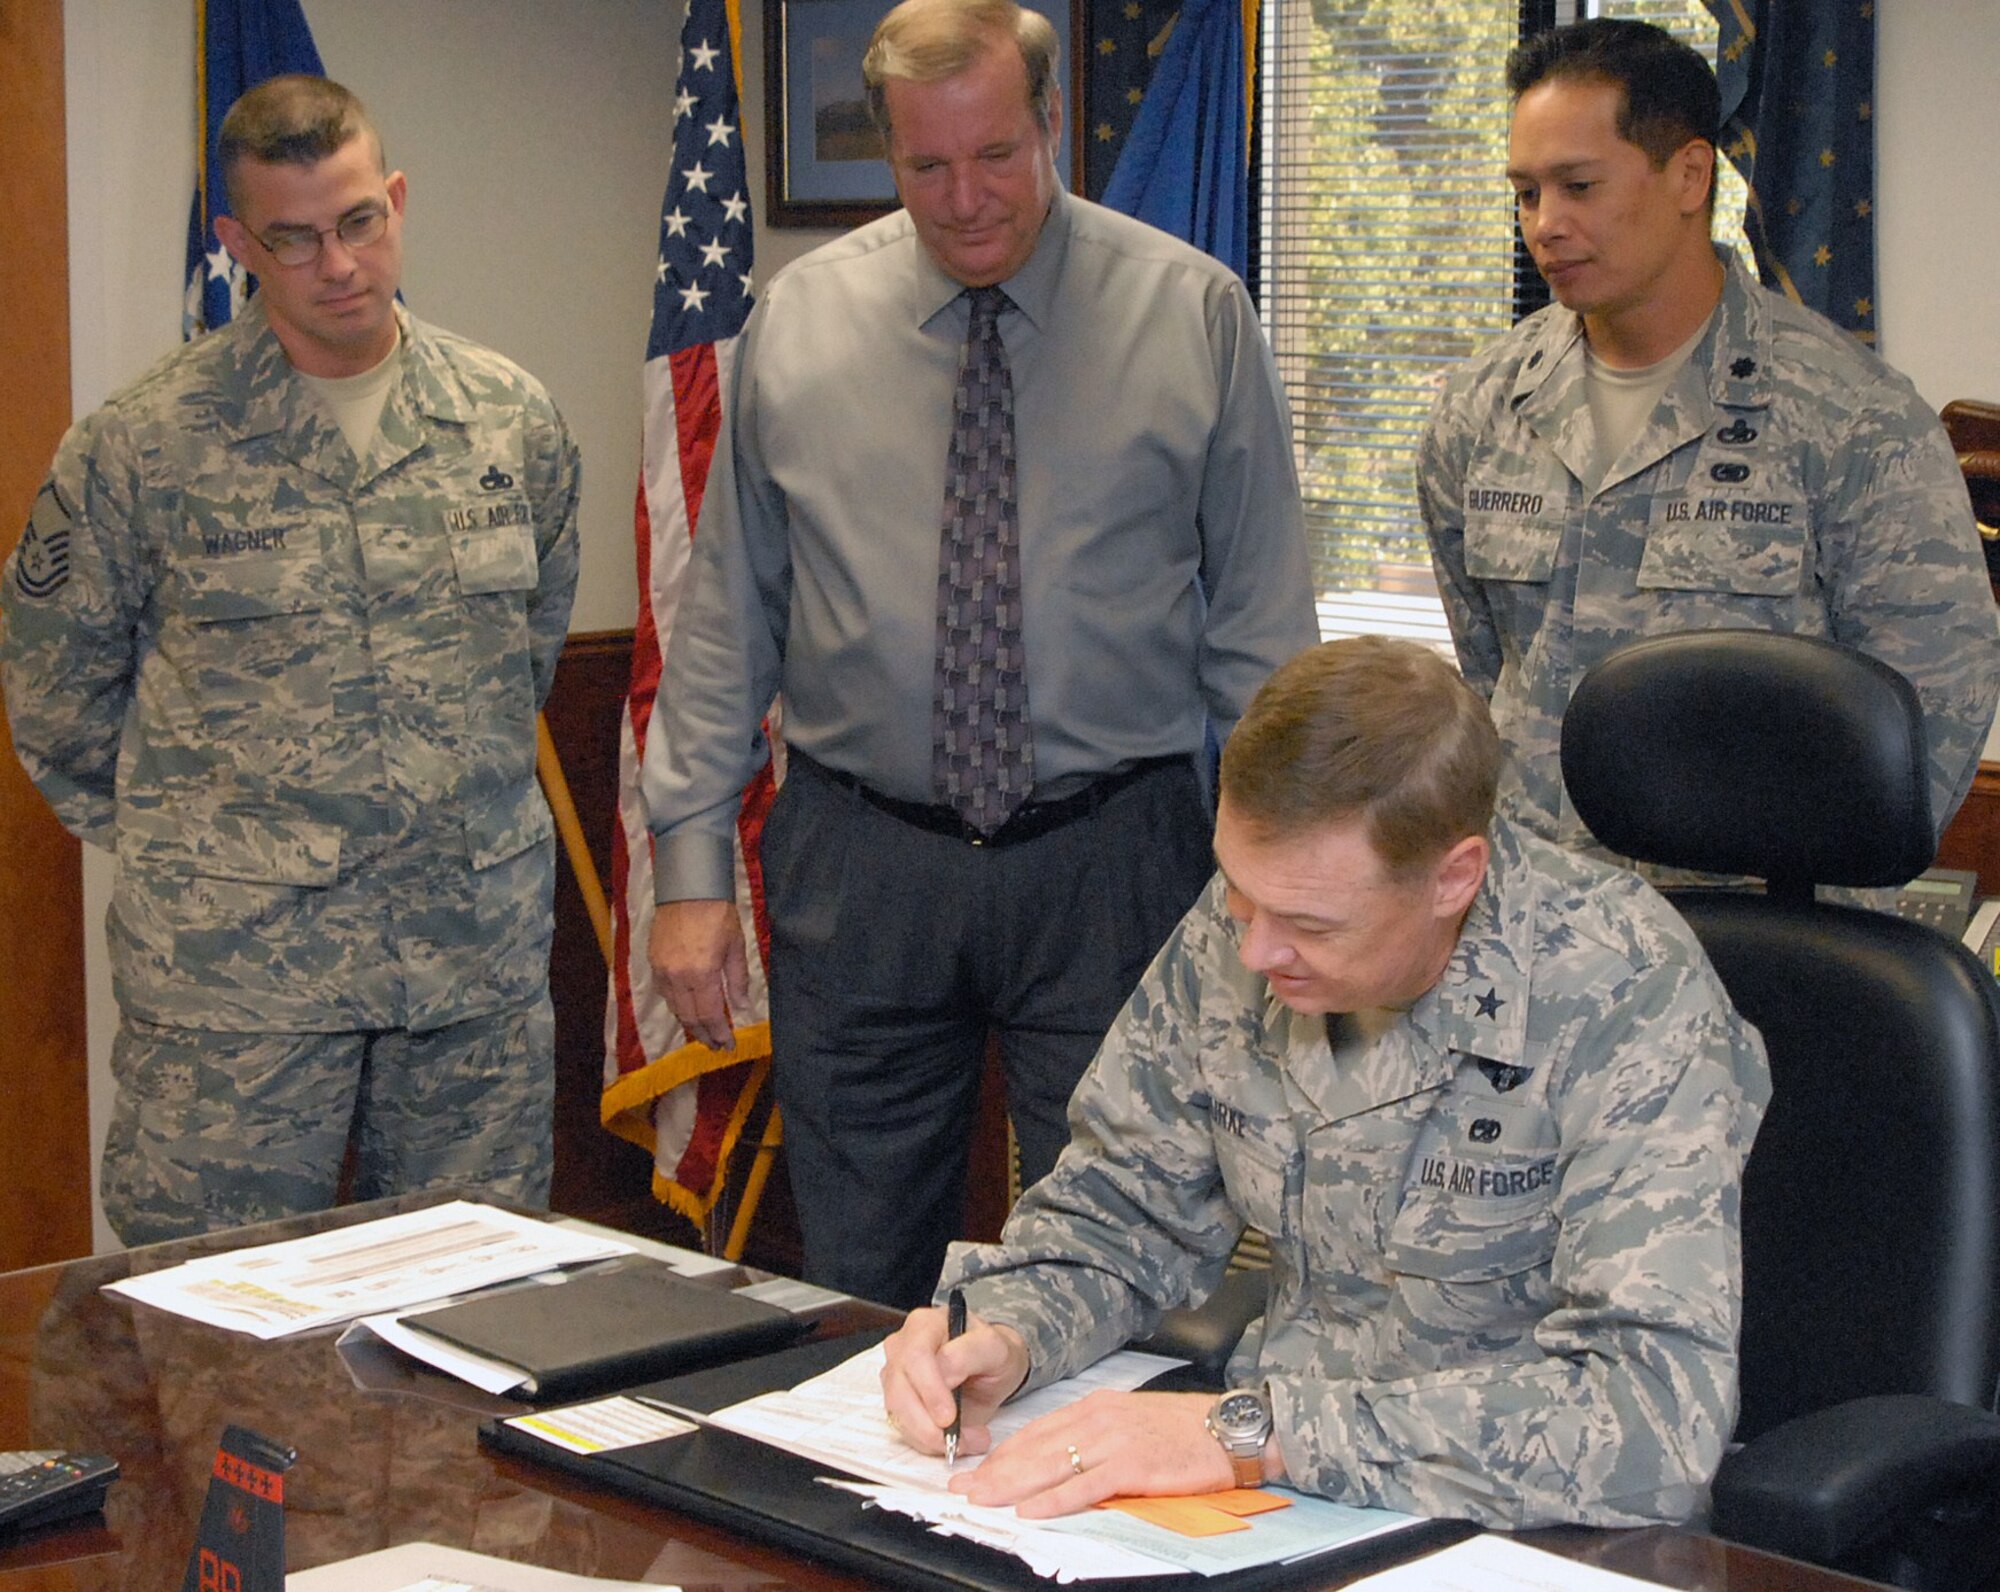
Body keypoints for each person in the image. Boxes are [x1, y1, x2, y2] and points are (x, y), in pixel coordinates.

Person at [643, 0, 1316, 1307]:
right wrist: (687, 870)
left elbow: (1261, 632)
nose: (965, 199)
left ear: (1050, 122)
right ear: (887, 155)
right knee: (856, 1273)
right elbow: (729, 612)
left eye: (996, 154)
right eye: (926, 165)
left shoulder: (1193, 315)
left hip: (1116, 855)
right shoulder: (803, 324)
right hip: (866, 862)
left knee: (1133, 1260)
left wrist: (1276, 873)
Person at [880, 636, 1770, 1528]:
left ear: (1452, 878)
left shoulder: (1626, 990)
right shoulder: (1260, 915)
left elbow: (1654, 1422)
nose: (1256, 950)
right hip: (1277, 1508)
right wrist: (1002, 1333)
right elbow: (1120, 1212)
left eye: (1309, 922)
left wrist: (1248, 1434)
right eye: (1237, 893)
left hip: (1527, 1532)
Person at [0, 75, 581, 1245]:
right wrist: (220, 859)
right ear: (237, 242)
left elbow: (529, 654)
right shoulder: (144, 445)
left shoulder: (505, 418)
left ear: (397, 200)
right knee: (211, 1335)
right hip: (236, 1001)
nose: (339, 264)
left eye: (360, 220)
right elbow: (55, 698)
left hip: (465, 978)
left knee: (481, 1316)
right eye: (296, 238)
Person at [1421, 18, 1999, 861]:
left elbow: (1931, 714)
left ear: (1690, 174)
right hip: (1537, 928)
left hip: (1749, 930)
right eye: (1526, 192)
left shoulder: (1849, 417)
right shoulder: (1482, 407)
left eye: (1579, 186)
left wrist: (1819, 903)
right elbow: (1487, 670)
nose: (1544, 224)